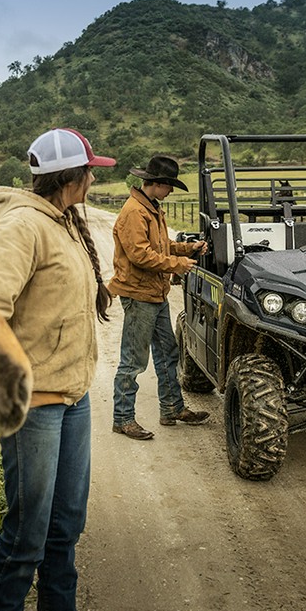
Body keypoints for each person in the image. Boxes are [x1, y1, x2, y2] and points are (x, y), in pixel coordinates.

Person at [0, 128, 115, 611]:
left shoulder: (62, 220)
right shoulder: (23, 227)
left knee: (65, 530)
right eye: (92, 171)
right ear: (75, 178)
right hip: (35, 406)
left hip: (72, 400)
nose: (94, 180)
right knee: (26, 539)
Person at [108, 155, 210, 440]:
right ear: (157, 184)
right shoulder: (134, 213)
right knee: (133, 360)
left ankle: (172, 409)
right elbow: (140, 255)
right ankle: (123, 418)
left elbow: (161, 246)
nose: (171, 192)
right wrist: (178, 265)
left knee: (168, 351)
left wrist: (185, 249)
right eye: (169, 186)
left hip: (154, 292)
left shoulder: (150, 208)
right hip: (140, 294)